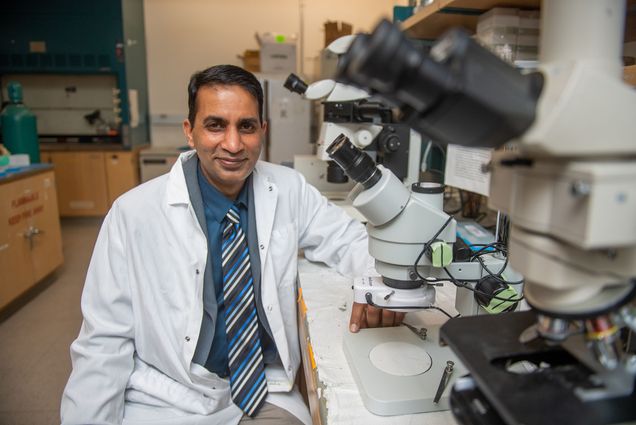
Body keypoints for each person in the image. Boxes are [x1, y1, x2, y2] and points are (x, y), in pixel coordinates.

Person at [61, 64, 403, 425]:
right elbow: (103, 341)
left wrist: (378, 283)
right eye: (215, 125)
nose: (233, 144)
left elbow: (349, 240)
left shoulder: (289, 189)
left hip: (263, 392)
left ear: (263, 132)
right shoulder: (133, 214)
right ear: (189, 131)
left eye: (246, 126)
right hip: (165, 396)